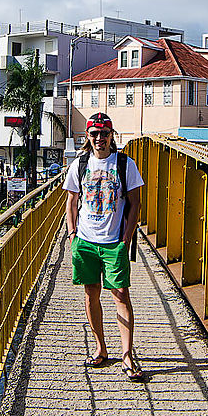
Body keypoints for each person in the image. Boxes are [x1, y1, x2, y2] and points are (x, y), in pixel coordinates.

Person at [63, 112, 145, 381]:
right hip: (85, 241)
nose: (100, 138)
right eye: (94, 133)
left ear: (112, 135)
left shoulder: (125, 164)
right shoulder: (79, 164)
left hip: (113, 243)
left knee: (121, 295)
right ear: (88, 136)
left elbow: (135, 204)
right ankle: (101, 348)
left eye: (105, 133)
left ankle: (128, 355)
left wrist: (126, 239)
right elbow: (71, 202)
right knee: (91, 295)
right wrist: (72, 234)